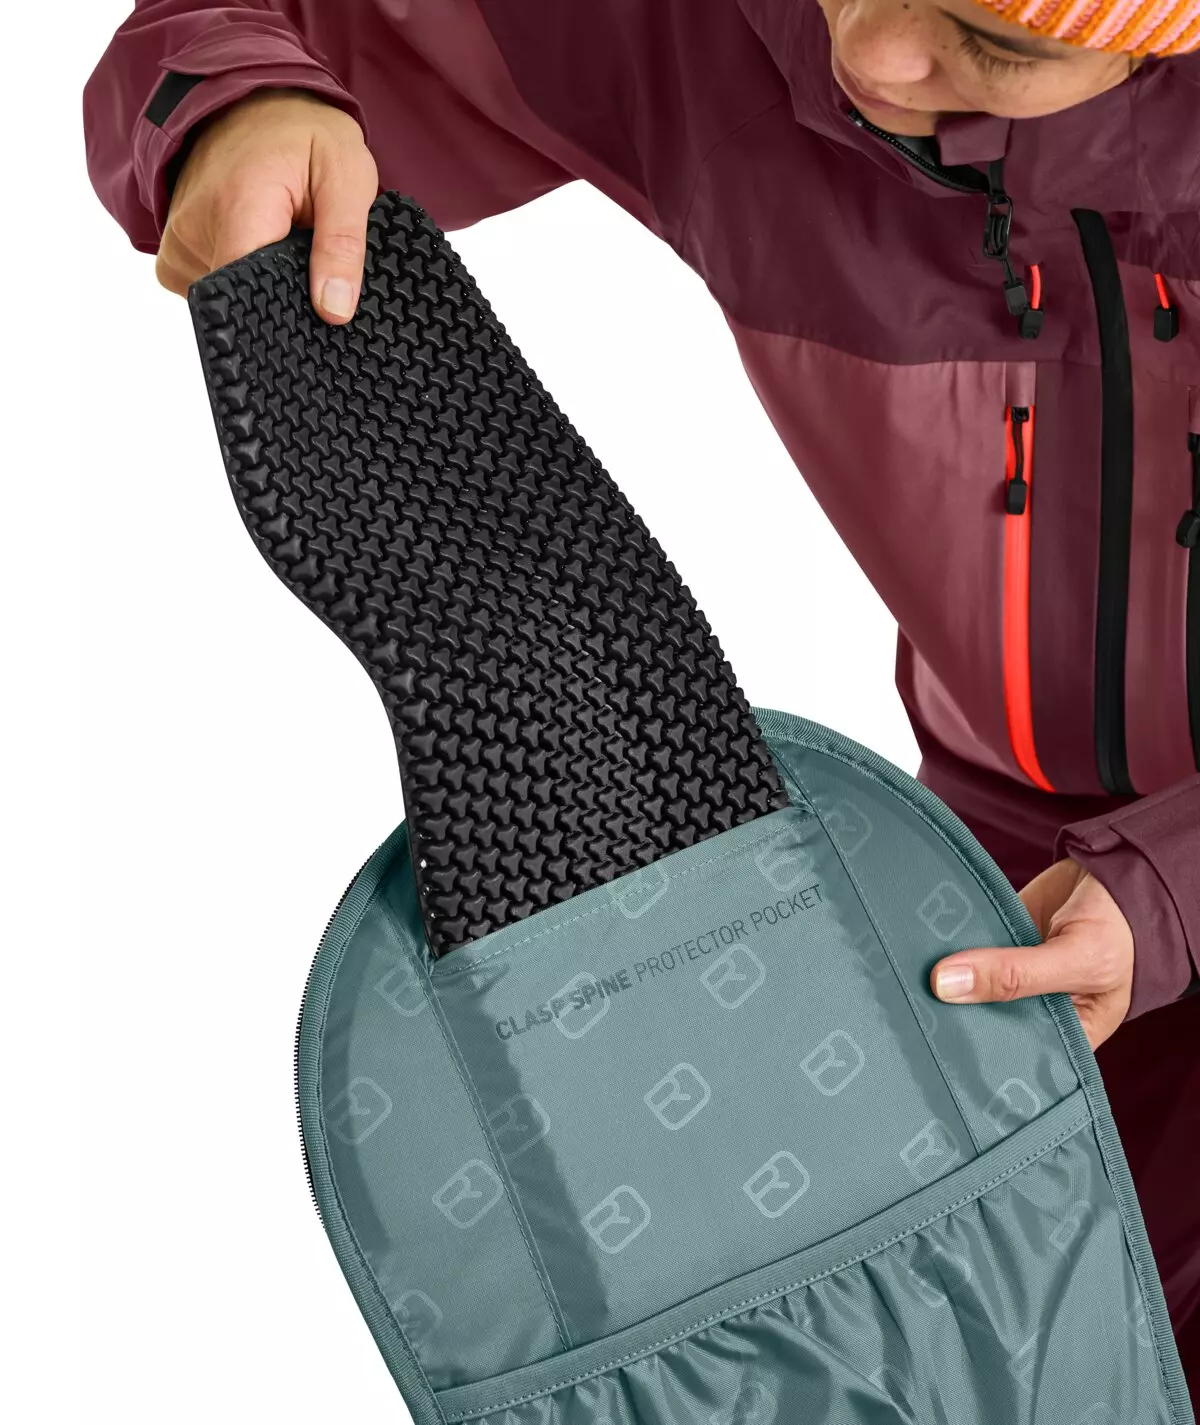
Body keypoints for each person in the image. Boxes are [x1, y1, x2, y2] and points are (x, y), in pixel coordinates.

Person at [84, 0, 1200, 1399]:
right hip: (995, 904)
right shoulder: (731, 31)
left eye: (993, 45)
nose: (867, 56)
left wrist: (1171, 891)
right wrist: (238, 106)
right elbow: (249, 24)